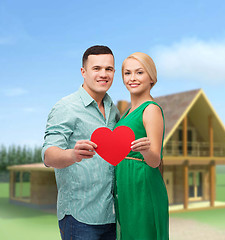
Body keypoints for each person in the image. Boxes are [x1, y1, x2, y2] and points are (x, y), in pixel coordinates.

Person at [41, 45, 120, 240]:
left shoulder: (114, 110)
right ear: (83, 72)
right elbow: (48, 155)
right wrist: (73, 155)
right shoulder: (66, 107)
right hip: (79, 217)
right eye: (96, 69)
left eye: (108, 69)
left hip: (111, 216)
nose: (103, 74)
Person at [114, 52, 169, 239]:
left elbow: (155, 161)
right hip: (127, 185)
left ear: (151, 77)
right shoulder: (128, 112)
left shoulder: (151, 109)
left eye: (139, 72)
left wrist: (146, 150)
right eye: (127, 73)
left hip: (143, 186)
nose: (132, 78)